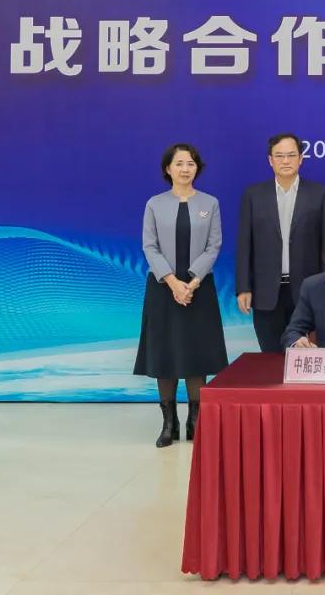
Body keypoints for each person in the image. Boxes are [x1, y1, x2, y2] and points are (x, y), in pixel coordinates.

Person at [134, 143, 228, 448]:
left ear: (197, 168)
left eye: (190, 163)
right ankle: (169, 422)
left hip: (199, 289)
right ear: (168, 169)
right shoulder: (154, 204)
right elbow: (150, 247)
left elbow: (214, 246)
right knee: (165, 354)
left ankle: (196, 419)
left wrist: (193, 281)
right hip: (163, 289)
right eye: (179, 163)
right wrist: (173, 282)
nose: (185, 169)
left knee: (195, 354)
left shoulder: (210, 203)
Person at [236, 133, 325, 352]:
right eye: (279, 156)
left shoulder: (321, 194)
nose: (285, 161)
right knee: (270, 357)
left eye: (291, 155)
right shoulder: (253, 195)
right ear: (270, 160)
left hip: (308, 290)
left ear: (301, 159)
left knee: (305, 356)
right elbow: (244, 245)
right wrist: (243, 287)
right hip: (265, 292)